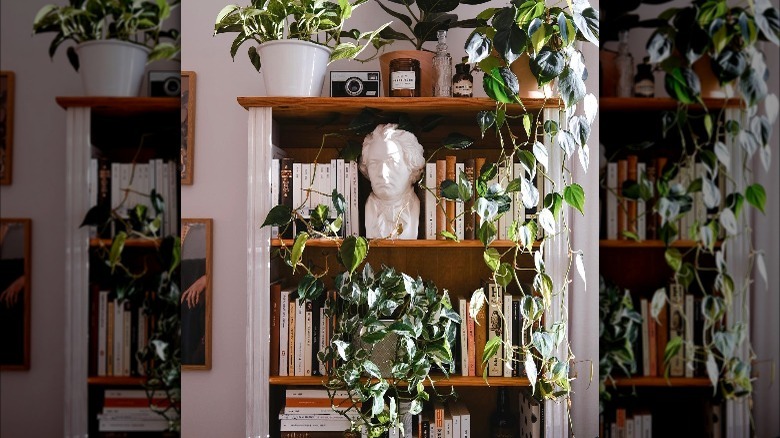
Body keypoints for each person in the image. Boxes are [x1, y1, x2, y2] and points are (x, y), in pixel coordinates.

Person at [359, 124, 425, 239]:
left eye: (392, 162)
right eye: (374, 163)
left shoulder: (416, 207)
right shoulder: (366, 209)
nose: (382, 173)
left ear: (411, 166)